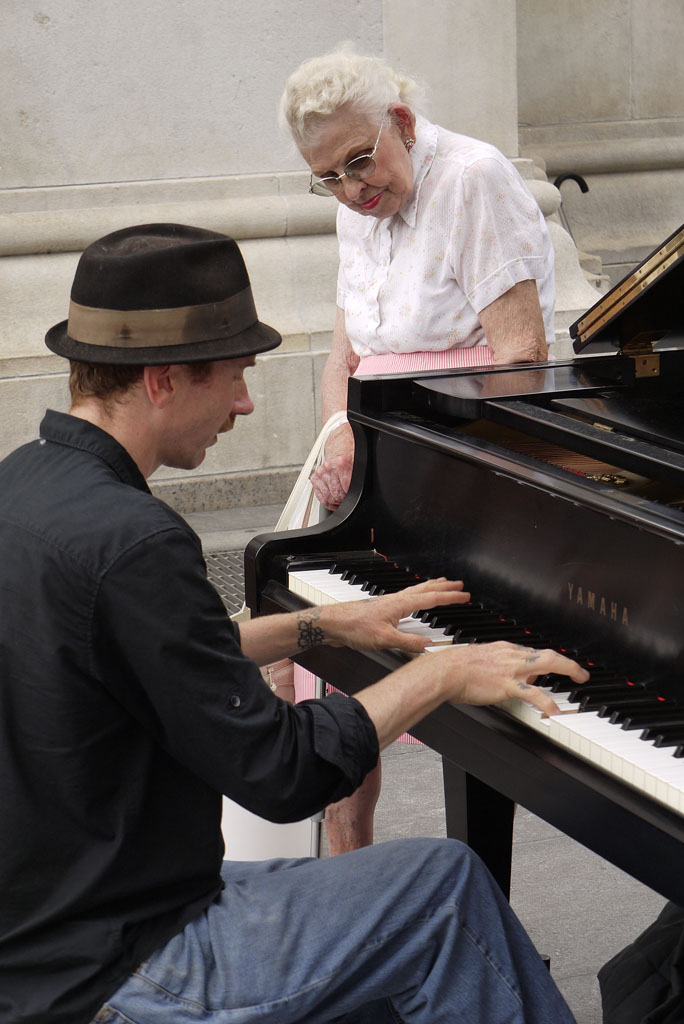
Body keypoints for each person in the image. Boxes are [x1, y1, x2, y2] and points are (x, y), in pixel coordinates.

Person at [0, 222, 587, 1024]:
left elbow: (155, 655)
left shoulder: (26, 486)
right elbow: (284, 777)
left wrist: (327, 626)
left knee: (389, 957)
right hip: (135, 955)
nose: (245, 402)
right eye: (235, 377)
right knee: (441, 889)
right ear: (166, 380)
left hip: (51, 929)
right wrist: (441, 672)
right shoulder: (133, 541)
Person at [278, 47, 557, 854]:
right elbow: (345, 356)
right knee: (327, 648)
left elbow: (520, 361)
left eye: (360, 162)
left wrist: (428, 473)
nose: (350, 190)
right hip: (373, 451)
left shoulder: (471, 178)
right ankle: (345, 860)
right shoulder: (350, 202)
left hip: (456, 462)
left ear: (400, 122)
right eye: (326, 176)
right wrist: (338, 430)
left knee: (430, 682)